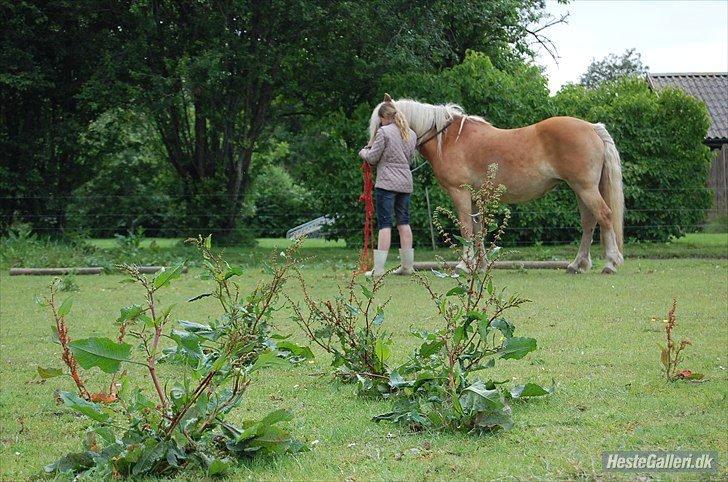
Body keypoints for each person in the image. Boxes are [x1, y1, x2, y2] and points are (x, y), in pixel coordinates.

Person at [358, 98, 417, 277]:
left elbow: (373, 158)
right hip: (405, 183)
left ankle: (379, 269)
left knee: (385, 224)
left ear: (384, 117)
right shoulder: (411, 134)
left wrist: (363, 152)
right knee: (404, 223)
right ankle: (407, 267)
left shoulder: (384, 132)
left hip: (386, 183)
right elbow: (408, 159)